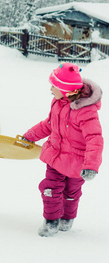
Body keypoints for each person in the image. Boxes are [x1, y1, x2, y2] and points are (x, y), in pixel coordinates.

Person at [23, 62, 104, 237]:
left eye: (54, 86)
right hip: (55, 157)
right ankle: (51, 221)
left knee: (71, 193)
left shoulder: (85, 111)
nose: (51, 89)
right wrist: (29, 136)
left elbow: (94, 139)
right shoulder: (58, 102)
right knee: (50, 188)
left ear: (66, 89)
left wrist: (91, 166)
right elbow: (49, 124)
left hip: (77, 163)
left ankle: (67, 218)